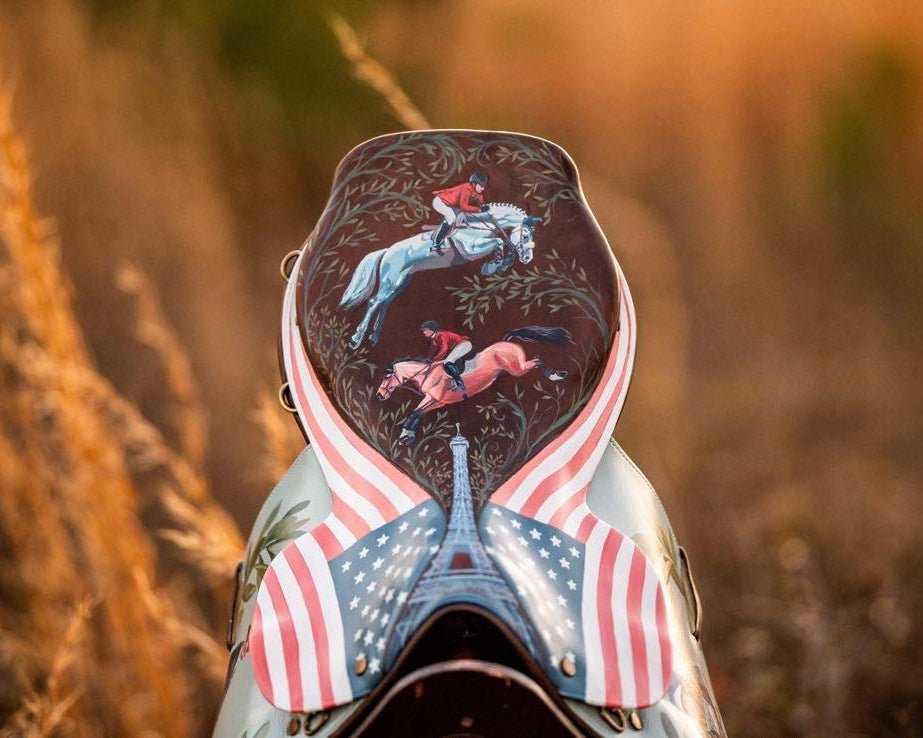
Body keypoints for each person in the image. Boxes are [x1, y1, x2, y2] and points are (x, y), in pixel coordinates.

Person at [430, 171, 490, 253]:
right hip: (440, 202)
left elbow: (480, 200)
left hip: (451, 205)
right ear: (474, 184)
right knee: (451, 218)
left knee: (462, 217)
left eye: (484, 186)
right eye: (481, 186)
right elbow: (464, 207)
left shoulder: (477, 191)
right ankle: (436, 243)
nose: (483, 189)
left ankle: (449, 236)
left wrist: (483, 206)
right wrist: (479, 210)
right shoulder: (466, 188)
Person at [421, 320, 475, 394]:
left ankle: (460, 384)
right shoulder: (434, 339)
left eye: (425, 330)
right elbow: (432, 351)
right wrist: (427, 360)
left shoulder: (440, 335)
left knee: (447, 362)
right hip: (458, 347)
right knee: (444, 363)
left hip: (464, 345)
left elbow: (444, 348)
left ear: (432, 330)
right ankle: (451, 383)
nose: (424, 332)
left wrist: (434, 360)